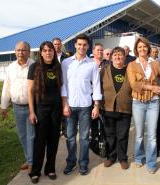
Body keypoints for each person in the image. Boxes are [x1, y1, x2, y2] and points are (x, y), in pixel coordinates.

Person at [61, 34, 102, 176]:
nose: (82, 47)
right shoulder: (66, 63)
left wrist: (96, 105)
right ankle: (71, 162)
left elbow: (96, 85)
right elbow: (63, 85)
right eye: (79, 44)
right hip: (70, 106)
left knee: (84, 138)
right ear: (75, 45)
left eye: (84, 45)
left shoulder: (92, 64)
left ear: (88, 46)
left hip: (85, 106)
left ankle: (83, 163)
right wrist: (64, 104)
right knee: (70, 137)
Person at [127, 37, 160, 174]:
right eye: (139, 47)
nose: (142, 49)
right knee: (139, 134)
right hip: (138, 102)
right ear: (136, 49)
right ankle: (139, 158)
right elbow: (133, 84)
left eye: (144, 47)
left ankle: (151, 163)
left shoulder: (155, 64)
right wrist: (152, 87)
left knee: (151, 135)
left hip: (153, 102)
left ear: (148, 49)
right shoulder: (132, 65)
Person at [28, 41, 62, 183]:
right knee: (40, 141)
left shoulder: (57, 67)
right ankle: (35, 171)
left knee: (53, 141)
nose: (48, 53)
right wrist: (32, 111)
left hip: (56, 109)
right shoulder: (34, 67)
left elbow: (61, 88)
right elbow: (29, 91)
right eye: (45, 50)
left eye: (50, 50)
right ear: (41, 52)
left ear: (54, 52)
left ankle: (50, 169)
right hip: (41, 108)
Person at [0, 41, 35, 173]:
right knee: (22, 135)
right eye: (18, 50)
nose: (20, 53)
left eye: (23, 50)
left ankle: (31, 163)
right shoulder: (10, 68)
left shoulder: (34, 66)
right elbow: (6, 88)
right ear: (15, 51)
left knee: (31, 136)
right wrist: (4, 106)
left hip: (32, 107)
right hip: (17, 107)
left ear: (28, 51)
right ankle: (28, 158)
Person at [101, 47, 132, 170]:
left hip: (125, 108)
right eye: (115, 55)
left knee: (123, 135)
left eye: (120, 55)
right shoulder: (104, 71)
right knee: (110, 135)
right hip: (108, 108)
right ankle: (111, 157)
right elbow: (97, 88)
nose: (117, 57)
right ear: (111, 57)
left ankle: (122, 158)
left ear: (124, 57)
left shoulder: (129, 71)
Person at [52, 37, 69, 138]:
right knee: (56, 108)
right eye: (55, 44)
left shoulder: (66, 57)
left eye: (58, 44)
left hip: (64, 83)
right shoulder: (50, 56)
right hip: (54, 85)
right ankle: (56, 129)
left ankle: (65, 129)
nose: (57, 46)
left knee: (65, 106)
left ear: (61, 45)